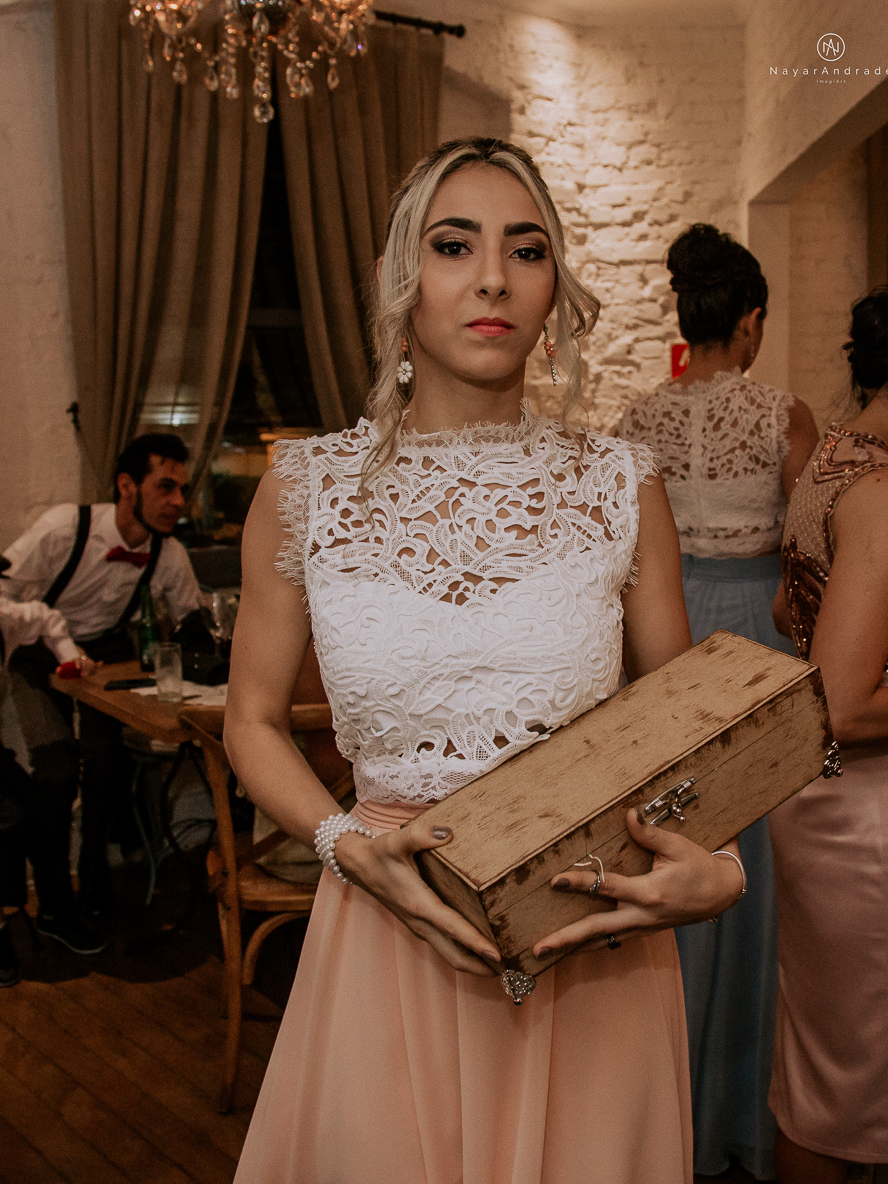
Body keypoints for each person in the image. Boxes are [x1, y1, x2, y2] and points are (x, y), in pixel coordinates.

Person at [223, 138, 748, 1184]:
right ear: (398, 279)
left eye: (527, 248)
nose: (493, 278)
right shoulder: (306, 486)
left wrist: (719, 870)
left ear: (556, 286)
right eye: (453, 245)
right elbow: (251, 719)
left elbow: (681, 728)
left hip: (582, 940)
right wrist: (340, 842)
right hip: (387, 923)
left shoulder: (617, 481)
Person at [616, 224, 819, 1181]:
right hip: (754, 641)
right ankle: (740, 1110)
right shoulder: (786, 416)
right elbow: (811, 562)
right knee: (753, 871)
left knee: (666, 842)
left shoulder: (634, 423)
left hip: (660, 634)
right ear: (748, 321)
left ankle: (662, 1109)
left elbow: (615, 567)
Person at [770, 284, 888, 1183]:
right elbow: (846, 703)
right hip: (882, 821)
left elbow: (788, 605)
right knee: (875, 1089)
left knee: (823, 1075)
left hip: (821, 805)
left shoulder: (824, 460)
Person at [2, 433, 199, 924]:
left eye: (182, 490)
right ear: (126, 485)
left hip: (107, 656)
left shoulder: (168, 553)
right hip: (36, 654)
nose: (178, 502)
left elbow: (196, 622)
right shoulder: (64, 528)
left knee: (110, 759)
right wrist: (52, 639)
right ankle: (54, 902)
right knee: (56, 769)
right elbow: (3, 588)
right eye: (165, 487)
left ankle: (94, 878)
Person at [0, 553, 97, 981]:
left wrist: (68, 656)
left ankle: (54, 914)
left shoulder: (4, 618)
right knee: (5, 819)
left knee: (39, 809)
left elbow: (44, 617)